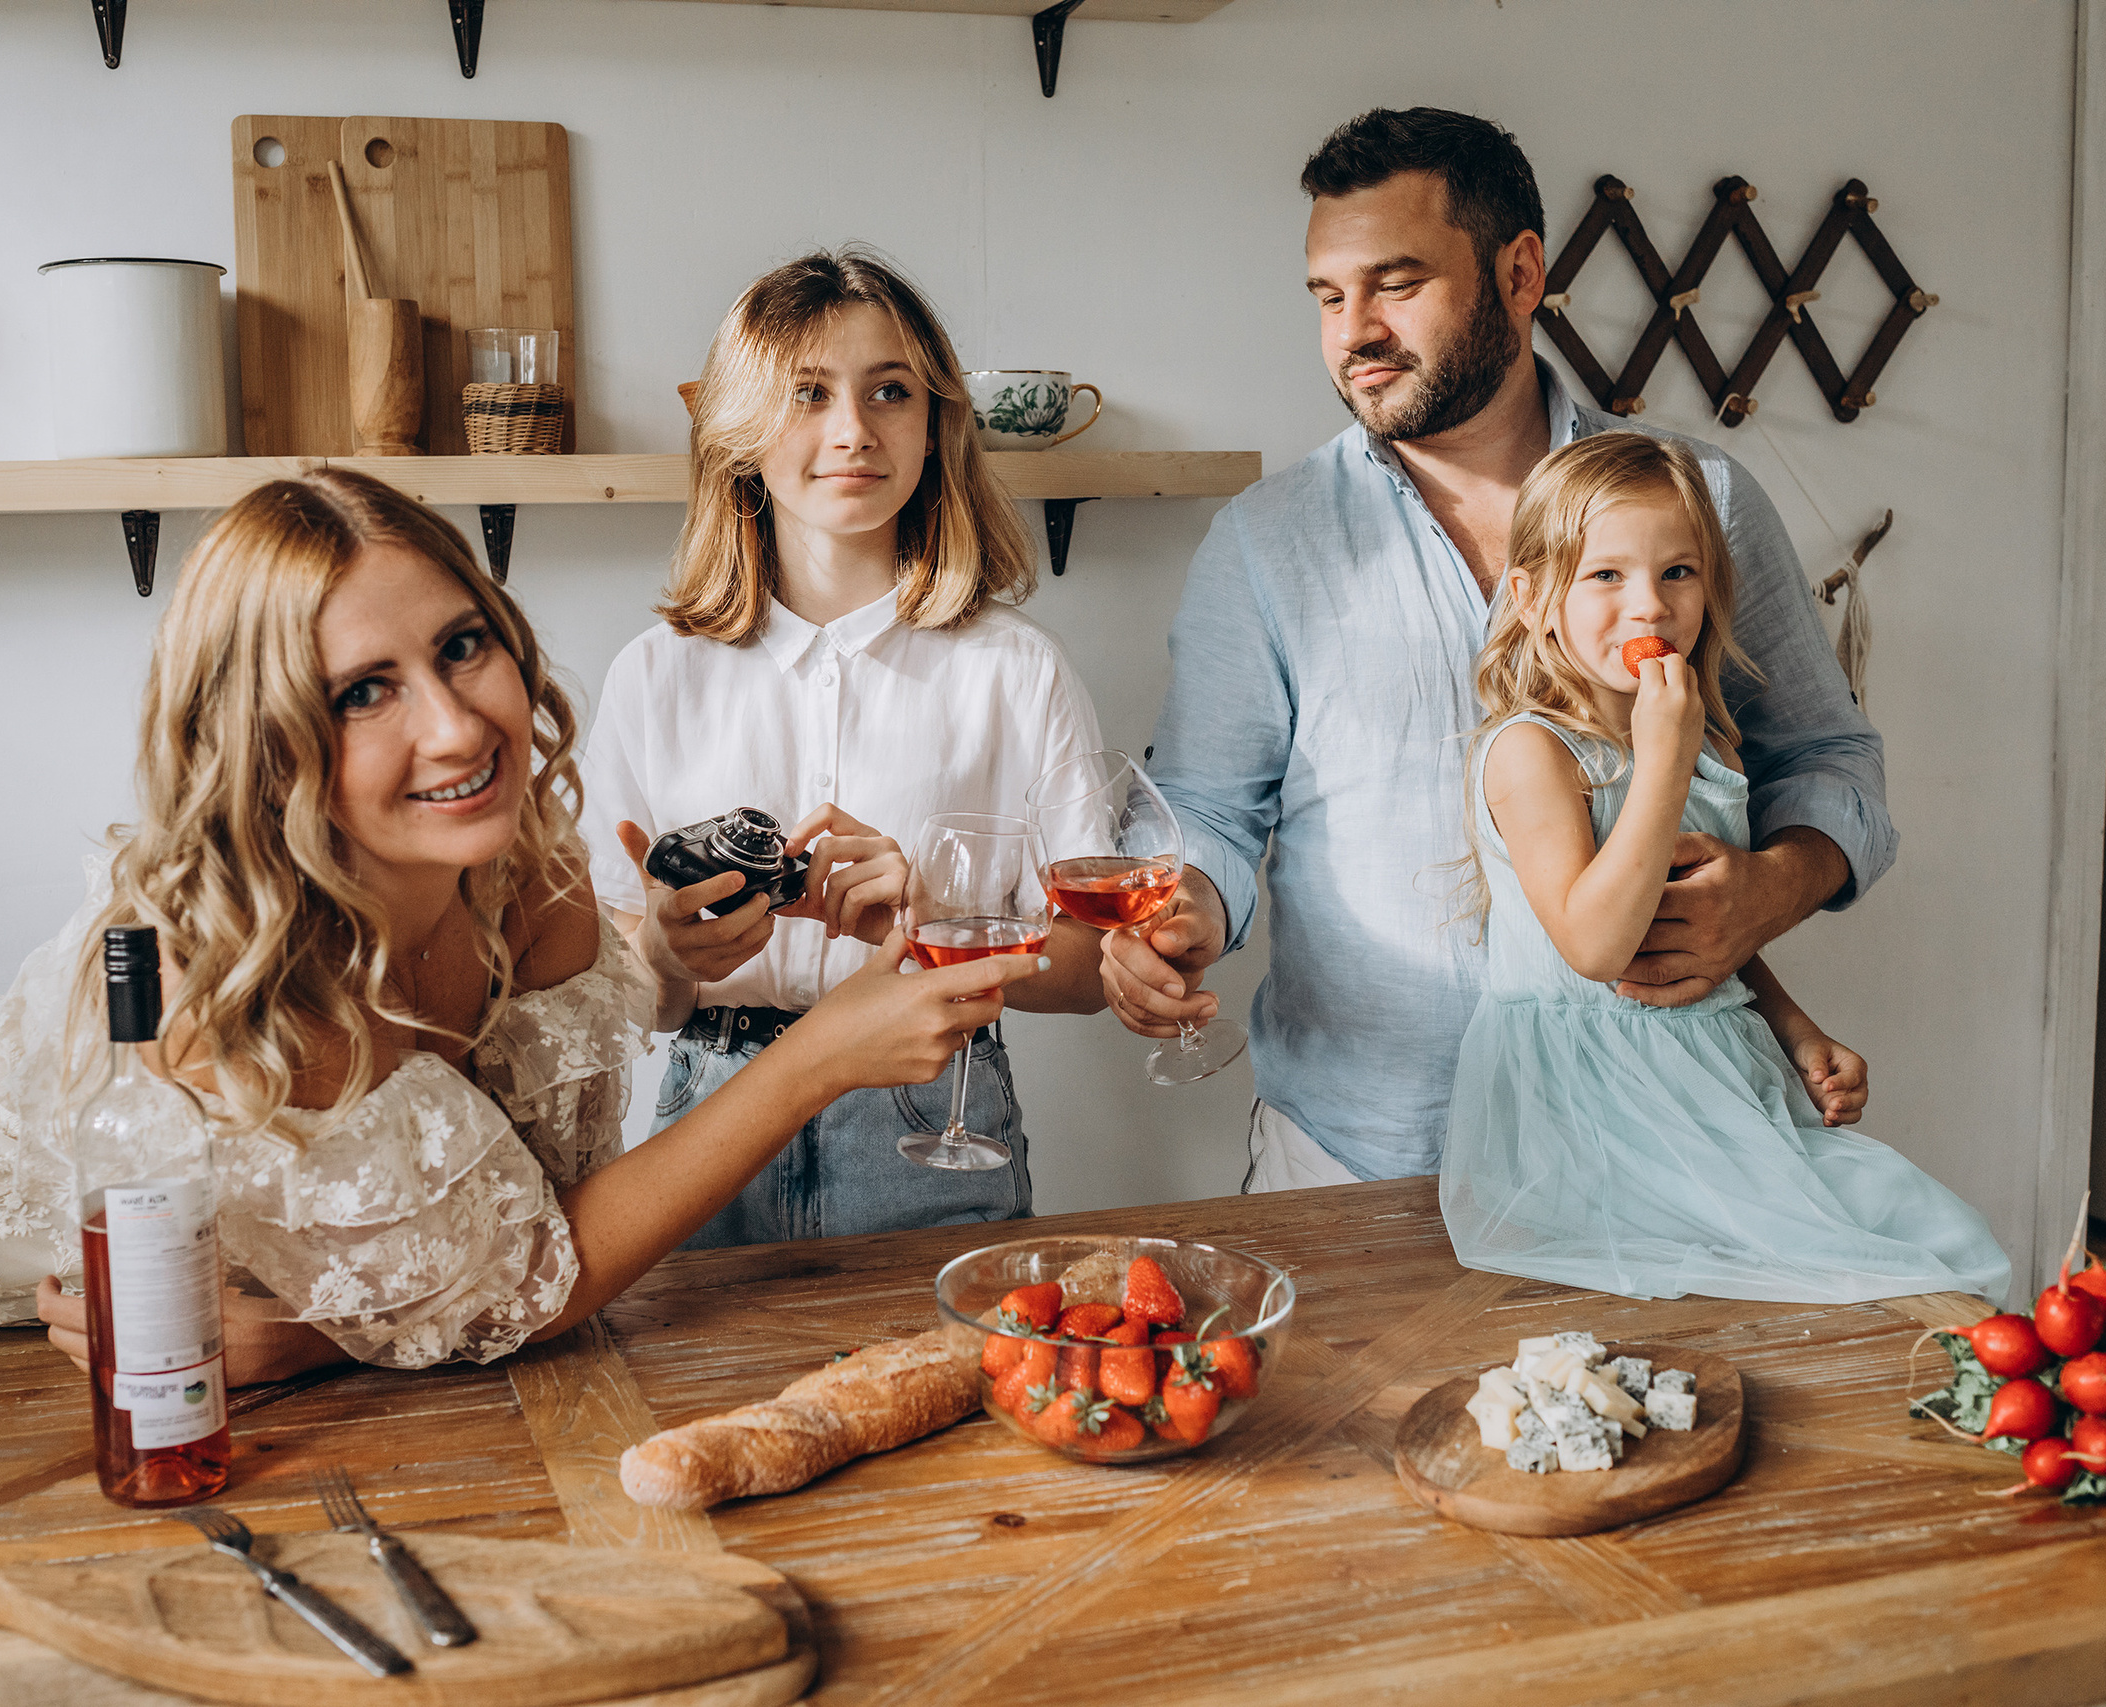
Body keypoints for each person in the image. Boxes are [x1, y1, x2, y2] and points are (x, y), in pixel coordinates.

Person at [0, 470, 1044, 1375]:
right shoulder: (237, 981)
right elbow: (523, 1281)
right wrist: (815, 1057)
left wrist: (674, 960)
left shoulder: (520, 860)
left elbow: (478, 1258)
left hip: (93, 1340)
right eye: (359, 691)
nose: (456, 726)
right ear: (264, 741)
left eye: (461, 645)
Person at [1104, 107, 1898, 1192]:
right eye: (1329, 297)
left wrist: (1773, 885)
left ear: (1520, 272)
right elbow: (1206, 811)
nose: (1354, 332)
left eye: (1396, 283)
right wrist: (1185, 905)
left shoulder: (1697, 499)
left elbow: (1827, 757)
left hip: (1659, 1147)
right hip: (1359, 1158)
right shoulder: (1264, 540)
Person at [580, 248, 1108, 1248]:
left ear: (934, 422)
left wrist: (941, 921)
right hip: (709, 1111)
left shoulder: (1016, 670)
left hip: (934, 1108)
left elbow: (1092, 971)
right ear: (737, 432)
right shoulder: (652, 676)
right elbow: (623, 1001)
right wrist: (661, 947)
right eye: (807, 394)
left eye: (890, 392)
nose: (852, 432)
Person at [1439, 431, 2007, 1301]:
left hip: (1719, 1077)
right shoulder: (1533, 753)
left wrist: (1795, 1027)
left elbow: (1703, 927)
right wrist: (1661, 764)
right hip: (1594, 1116)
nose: (1650, 607)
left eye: (1679, 572)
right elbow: (1596, 943)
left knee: (1938, 1240)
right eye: (1606, 575)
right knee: (1858, 1279)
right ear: (1530, 597)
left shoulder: (1711, 743)